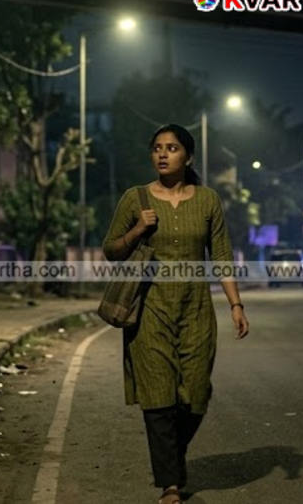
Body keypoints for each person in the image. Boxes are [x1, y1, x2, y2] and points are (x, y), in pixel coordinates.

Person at [102, 124, 250, 504]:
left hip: (197, 310)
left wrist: (235, 304)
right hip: (149, 310)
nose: (162, 154)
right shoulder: (135, 199)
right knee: (158, 396)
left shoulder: (208, 200)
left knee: (196, 394)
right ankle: (170, 484)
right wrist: (137, 229)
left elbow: (221, 256)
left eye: (171, 148)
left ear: (188, 156)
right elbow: (111, 250)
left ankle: (170, 457)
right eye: (156, 148)